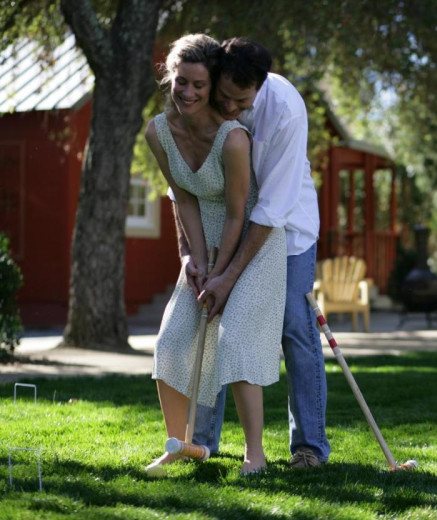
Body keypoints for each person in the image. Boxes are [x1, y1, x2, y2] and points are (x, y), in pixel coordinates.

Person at [176, 37, 330, 468]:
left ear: (259, 88)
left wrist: (230, 275)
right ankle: (203, 441)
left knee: (294, 329)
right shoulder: (204, 93)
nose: (228, 108)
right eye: (223, 97)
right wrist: (192, 253)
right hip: (223, 224)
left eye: (239, 102)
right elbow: (184, 184)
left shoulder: (285, 109)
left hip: (286, 229)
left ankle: (309, 447)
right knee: (212, 319)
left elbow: (271, 208)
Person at [144, 34, 287, 476]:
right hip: (203, 243)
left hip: (250, 245)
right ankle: (181, 445)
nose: (186, 92)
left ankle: (254, 455)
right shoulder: (158, 132)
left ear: (212, 88)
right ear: (170, 77)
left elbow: (237, 211)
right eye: (180, 82)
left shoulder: (233, 139)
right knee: (170, 339)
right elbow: (182, 199)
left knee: (237, 338)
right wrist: (193, 260)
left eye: (198, 86)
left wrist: (222, 274)